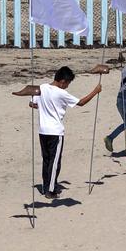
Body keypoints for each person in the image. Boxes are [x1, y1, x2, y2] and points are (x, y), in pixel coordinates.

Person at [31, 66, 101, 198]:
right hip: (55, 132)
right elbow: (81, 103)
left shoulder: (42, 87)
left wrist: (46, 108)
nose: (67, 86)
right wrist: (95, 91)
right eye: (68, 83)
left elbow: (32, 104)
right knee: (55, 161)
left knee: (46, 160)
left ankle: (46, 187)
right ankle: (50, 191)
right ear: (62, 81)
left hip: (42, 130)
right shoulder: (61, 92)